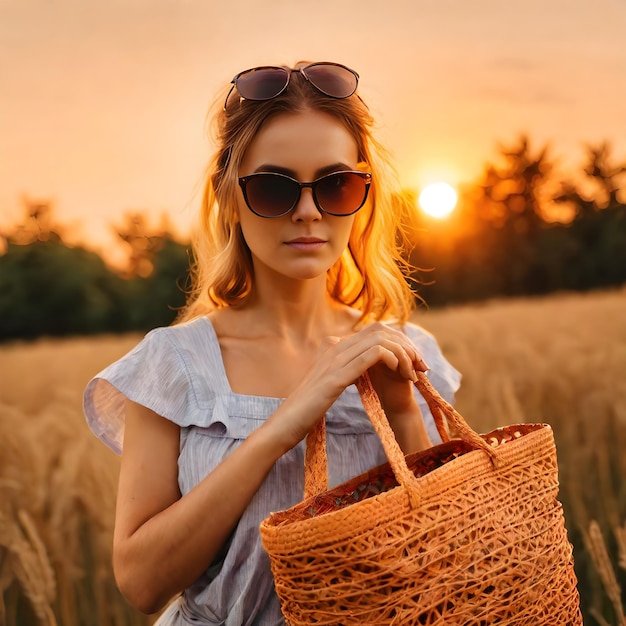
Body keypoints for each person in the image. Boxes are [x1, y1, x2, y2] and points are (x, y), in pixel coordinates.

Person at [83, 60, 461, 625]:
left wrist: (403, 411)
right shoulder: (176, 365)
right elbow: (141, 582)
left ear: (364, 193)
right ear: (230, 197)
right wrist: (289, 421)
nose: (308, 211)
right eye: (273, 187)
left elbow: (453, 562)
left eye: (336, 184)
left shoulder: (411, 351)